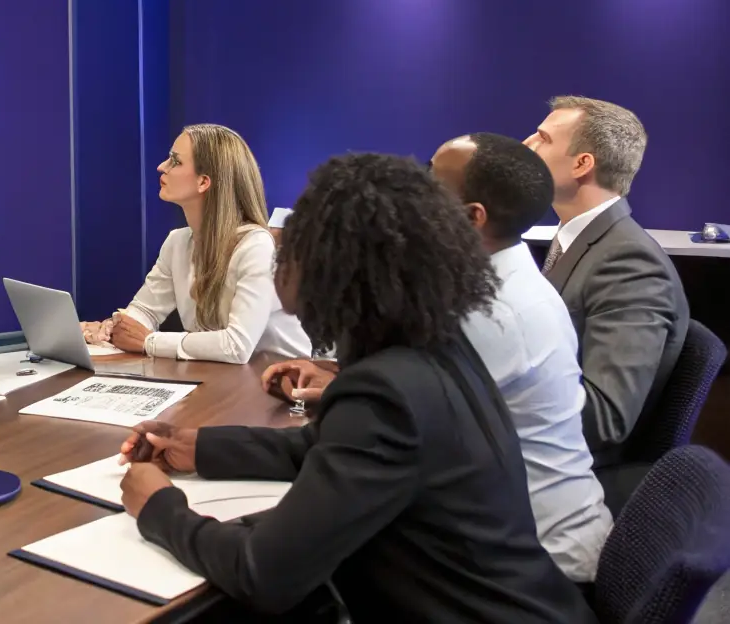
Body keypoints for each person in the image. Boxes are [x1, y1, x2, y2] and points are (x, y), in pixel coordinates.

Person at [117, 154, 596, 623]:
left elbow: (263, 574)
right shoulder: (434, 347)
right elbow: (321, 448)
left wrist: (160, 507)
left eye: (290, 252)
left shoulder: (387, 391)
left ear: (334, 267)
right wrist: (195, 447)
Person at [265, 134, 614, 583]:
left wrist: (338, 389)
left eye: (430, 184)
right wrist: (332, 375)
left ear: (470, 219)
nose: (412, 194)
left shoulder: (493, 315)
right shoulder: (492, 287)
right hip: (505, 536)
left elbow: (398, 409)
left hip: (528, 565)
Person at [525, 96, 689, 477]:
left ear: (582, 164)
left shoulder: (629, 262)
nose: (526, 145)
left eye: (542, 138)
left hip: (565, 473)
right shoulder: (575, 239)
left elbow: (604, 419)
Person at [80, 125, 309, 364]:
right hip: (222, 378)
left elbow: (237, 346)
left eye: (175, 161)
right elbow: (145, 311)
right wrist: (112, 329)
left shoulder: (255, 246)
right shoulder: (177, 242)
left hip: (280, 386)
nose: (161, 167)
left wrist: (150, 341)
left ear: (203, 182)